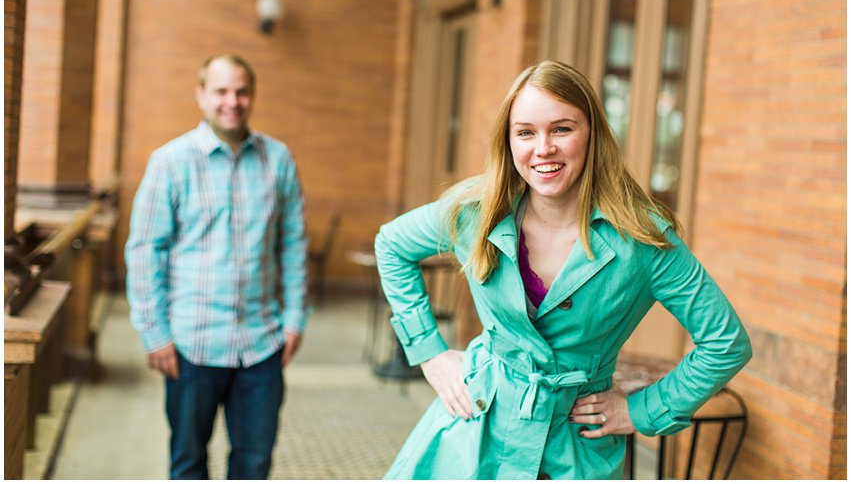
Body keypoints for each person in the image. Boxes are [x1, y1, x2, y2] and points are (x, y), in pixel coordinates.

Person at [374, 60, 752, 479]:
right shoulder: (476, 213)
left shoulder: (642, 239)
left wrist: (643, 411)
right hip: (476, 429)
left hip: (576, 448)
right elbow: (392, 245)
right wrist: (429, 352)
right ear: (509, 141)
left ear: (591, 133)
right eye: (525, 132)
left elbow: (725, 343)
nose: (543, 148)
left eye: (561, 129)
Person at [125, 54, 308, 480]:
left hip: (262, 344)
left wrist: (295, 319)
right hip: (191, 345)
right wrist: (154, 333)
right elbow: (143, 250)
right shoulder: (169, 161)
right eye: (221, 91)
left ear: (252, 96)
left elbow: (294, 244)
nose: (233, 101)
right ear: (201, 95)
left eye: (241, 91)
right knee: (188, 463)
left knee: (254, 464)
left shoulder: (278, 159)